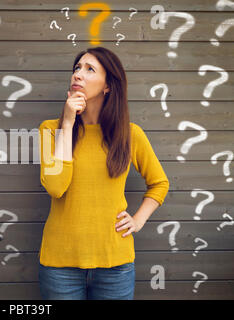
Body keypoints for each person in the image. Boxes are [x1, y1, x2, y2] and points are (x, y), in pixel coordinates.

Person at [37, 47, 169, 300]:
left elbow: (159, 183)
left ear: (107, 85)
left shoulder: (130, 134)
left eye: (89, 69)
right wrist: (67, 123)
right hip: (60, 266)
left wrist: (138, 219)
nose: (78, 75)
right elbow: (55, 186)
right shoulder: (50, 130)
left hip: (115, 266)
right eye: (77, 68)